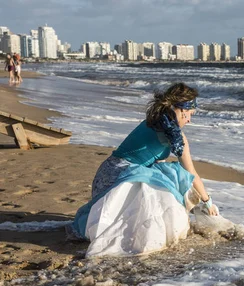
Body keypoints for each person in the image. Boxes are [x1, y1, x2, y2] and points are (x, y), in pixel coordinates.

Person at [70, 82, 218, 257]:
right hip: (118, 182)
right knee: (171, 175)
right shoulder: (177, 137)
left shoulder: (153, 121)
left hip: (105, 176)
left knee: (167, 172)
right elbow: (192, 174)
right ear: (183, 110)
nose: (189, 120)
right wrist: (207, 201)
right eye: (190, 115)